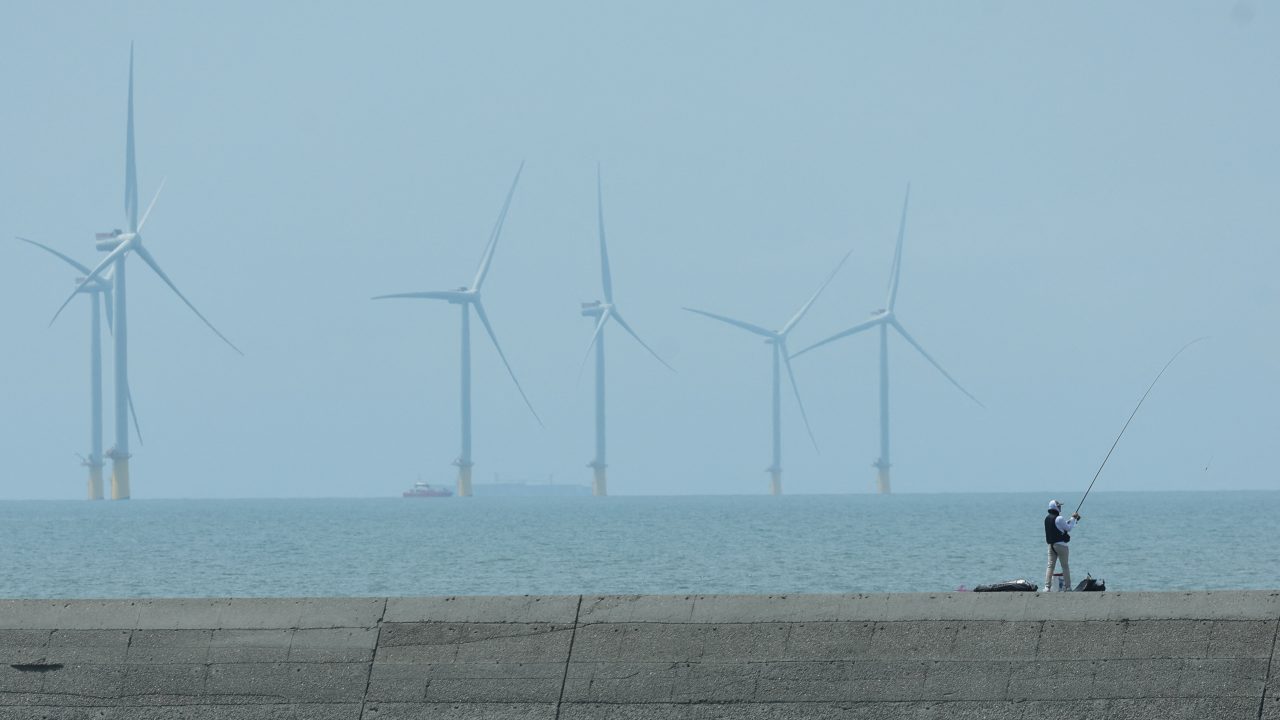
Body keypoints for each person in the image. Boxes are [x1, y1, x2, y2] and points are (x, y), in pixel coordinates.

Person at [1044, 499, 1081, 591]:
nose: (1060, 507)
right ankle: (1068, 587)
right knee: (1065, 566)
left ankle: (1047, 587)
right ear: (1055, 507)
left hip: (1051, 546)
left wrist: (1071, 519)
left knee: (1050, 566)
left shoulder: (1047, 519)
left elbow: (1060, 526)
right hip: (1061, 546)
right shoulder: (1059, 518)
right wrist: (1073, 518)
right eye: (1059, 506)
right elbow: (1068, 528)